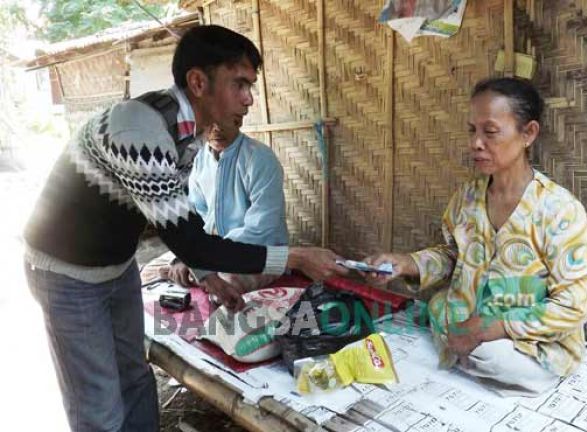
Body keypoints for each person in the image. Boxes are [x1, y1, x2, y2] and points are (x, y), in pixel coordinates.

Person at [22, 25, 348, 432]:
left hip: (116, 266)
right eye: (239, 84)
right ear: (198, 82)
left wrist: (208, 278)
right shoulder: (139, 130)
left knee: (136, 379)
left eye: (251, 86)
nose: (249, 98)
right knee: (99, 406)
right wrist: (296, 256)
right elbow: (192, 239)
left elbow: (185, 226)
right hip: (66, 273)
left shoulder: (188, 136)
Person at [364, 77, 587, 397]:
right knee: (436, 308)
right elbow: (451, 256)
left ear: (528, 133)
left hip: (525, 344)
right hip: (464, 325)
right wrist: (406, 264)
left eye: (490, 131)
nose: (476, 142)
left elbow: (573, 306)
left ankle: (474, 356)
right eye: (472, 130)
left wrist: (490, 328)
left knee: (491, 353)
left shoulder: (559, 210)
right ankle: (465, 352)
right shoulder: (467, 198)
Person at [161, 108, 289, 300]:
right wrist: (190, 256)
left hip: (260, 251)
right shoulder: (201, 159)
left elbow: (261, 229)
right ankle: (196, 273)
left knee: (224, 286)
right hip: (213, 251)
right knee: (164, 266)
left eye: (223, 121)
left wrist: (205, 260)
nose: (216, 129)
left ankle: (200, 277)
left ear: (238, 120)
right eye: (209, 123)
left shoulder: (260, 158)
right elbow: (197, 213)